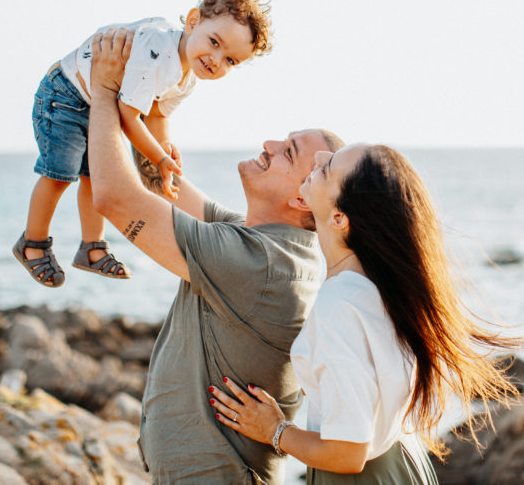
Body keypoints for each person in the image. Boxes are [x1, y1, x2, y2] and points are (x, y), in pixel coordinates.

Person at [88, 26, 345, 484]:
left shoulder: (259, 261)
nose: (268, 145)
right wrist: (158, 94)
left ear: (305, 199)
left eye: (287, 153)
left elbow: (114, 197)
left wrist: (105, 90)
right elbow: (155, 184)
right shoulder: (262, 241)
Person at [209, 143, 524, 483]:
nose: (318, 157)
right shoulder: (380, 290)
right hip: (401, 463)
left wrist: (275, 430)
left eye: (328, 167)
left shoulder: (342, 305)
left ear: (339, 218)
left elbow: (347, 452)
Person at [13, 0, 272, 288]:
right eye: (214, 42)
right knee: (60, 174)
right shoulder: (159, 54)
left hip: (96, 100)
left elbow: (156, 114)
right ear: (193, 22)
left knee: (95, 175)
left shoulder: (187, 77)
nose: (216, 60)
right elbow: (127, 115)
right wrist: (160, 159)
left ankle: (91, 248)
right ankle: (33, 243)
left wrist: (163, 150)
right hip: (66, 93)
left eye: (230, 60)